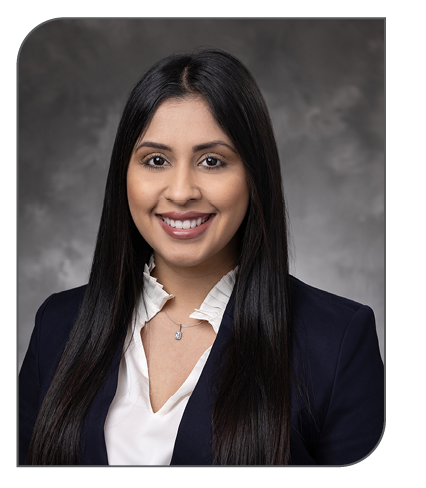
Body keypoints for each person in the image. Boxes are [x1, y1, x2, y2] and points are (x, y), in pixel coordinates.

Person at [19, 48, 384, 466]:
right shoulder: (58, 324)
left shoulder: (336, 341)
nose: (180, 192)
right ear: (124, 174)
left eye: (212, 161)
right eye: (156, 160)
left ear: (254, 175)